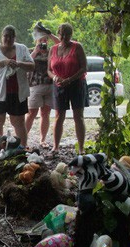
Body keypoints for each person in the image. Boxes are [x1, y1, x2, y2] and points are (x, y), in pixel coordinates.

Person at [0, 25, 34, 147]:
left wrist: (19, 64)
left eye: (11, 36)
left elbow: (32, 66)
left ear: (15, 38)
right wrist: (3, 62)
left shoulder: (22, 49)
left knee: (19, 122)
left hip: (17, 92)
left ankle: (21, 149)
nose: (8, 39)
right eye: (6, 36)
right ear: (2, 37)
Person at [47, 23, 88, 155]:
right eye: (62, 34)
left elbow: (83, 68)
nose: (64, 37)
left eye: (67, 34)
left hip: (76, 84)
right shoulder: (52, 49)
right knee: (59, 116)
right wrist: (55, 78)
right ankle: (56, 147)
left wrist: (69, 79)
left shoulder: (77, 47)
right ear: (58, 34)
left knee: (78, 116)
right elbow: (48, 70)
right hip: (59, 86)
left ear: (71, 35)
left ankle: (81, 148)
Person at [25, 22, 60, 149]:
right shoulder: (31, 51)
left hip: (50, 85)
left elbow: (60, 44)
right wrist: (36, 51)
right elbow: (26, 63)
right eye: (41, 40)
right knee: (31, 113)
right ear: (36, 41)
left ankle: (42, 139)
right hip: (35, 85)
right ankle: (23, 139)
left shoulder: (51, 51)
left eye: (45, 40)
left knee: (45, 113)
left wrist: (50, 34)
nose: (43, 42)